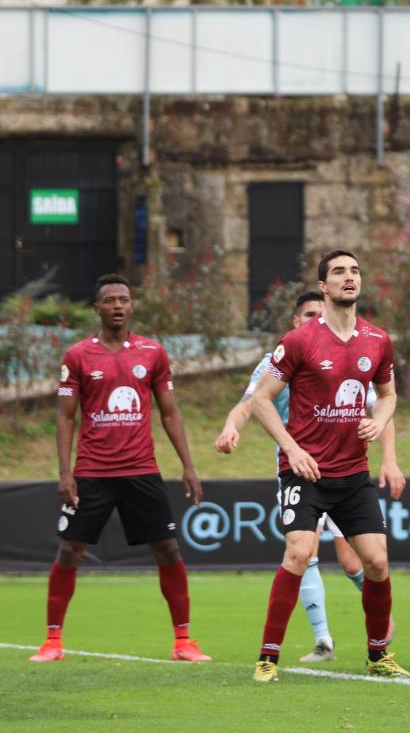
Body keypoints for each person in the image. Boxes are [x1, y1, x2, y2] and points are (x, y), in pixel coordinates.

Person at [32, 273, 210, 664]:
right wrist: (65, 473)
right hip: (92, 472)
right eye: (109, 300)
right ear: (97, 308)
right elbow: (65, 418)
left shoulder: (152, 352)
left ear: (131, 306)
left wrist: (188, 466)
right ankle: (52, 641)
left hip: (141, 470)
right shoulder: (78, 355)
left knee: (167, 548)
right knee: (68, 551)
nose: (117, 306)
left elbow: (170, 412)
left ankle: (184, 641)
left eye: (124, 300)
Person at [247, 250, 408, 683]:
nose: (349, 277)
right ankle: (268, 657)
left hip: (353, 474)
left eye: (355, 270)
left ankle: (378, 656)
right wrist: (292, 449)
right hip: (305, 472)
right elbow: (260, 401)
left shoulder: (377, 339)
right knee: (300, 552)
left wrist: (379, 419)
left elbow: (389, 394)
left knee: (376, 561)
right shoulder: (299, 341)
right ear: (324, 286)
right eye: (339, 271)